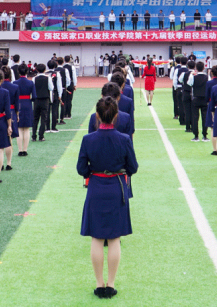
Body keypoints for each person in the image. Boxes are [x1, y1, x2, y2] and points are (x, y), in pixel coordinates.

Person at [77, 96, 139, 299]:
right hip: (117, 188)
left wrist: (93, 172)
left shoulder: (88, 139)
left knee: (96, 237)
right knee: (114, 238)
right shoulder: (124, 139)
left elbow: (80, 169)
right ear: (115, 116)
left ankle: (99, 283)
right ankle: (110, 284)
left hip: (95, 187)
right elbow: (133, 168)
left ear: (97, 116)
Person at [14, 64, 36, 156]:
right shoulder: (30, 83)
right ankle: (25, 150)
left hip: (18, 104)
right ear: (27, 72)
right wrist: (29, 100)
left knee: (19, 128)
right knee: (26, 129)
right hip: (27, 104)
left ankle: (20, 150)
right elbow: (34, 97)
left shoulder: (15, 83)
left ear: (18, 72)